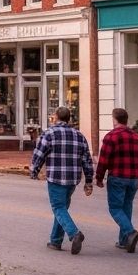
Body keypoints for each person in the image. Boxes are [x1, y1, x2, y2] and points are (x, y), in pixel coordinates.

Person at [30, 106, 94, 254]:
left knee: (58, 208)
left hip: (56, 177)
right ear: (69, 118)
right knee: (62, 208)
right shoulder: (79, 136)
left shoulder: (49, 134)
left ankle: (74, 233)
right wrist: (88, 180)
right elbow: (87, 160)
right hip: (73, 179)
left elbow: (38, 155)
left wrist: (34, 172)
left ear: (56, 117)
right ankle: (55, 241)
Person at [96, 107, 138, 253]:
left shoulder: (111, 137)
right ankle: (124, 241)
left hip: (118, 177)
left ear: (114, 120)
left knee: (115, 208)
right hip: (134, 178)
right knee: (126, 206)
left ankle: (130, 232)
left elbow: (103, 160)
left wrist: (99, 177)